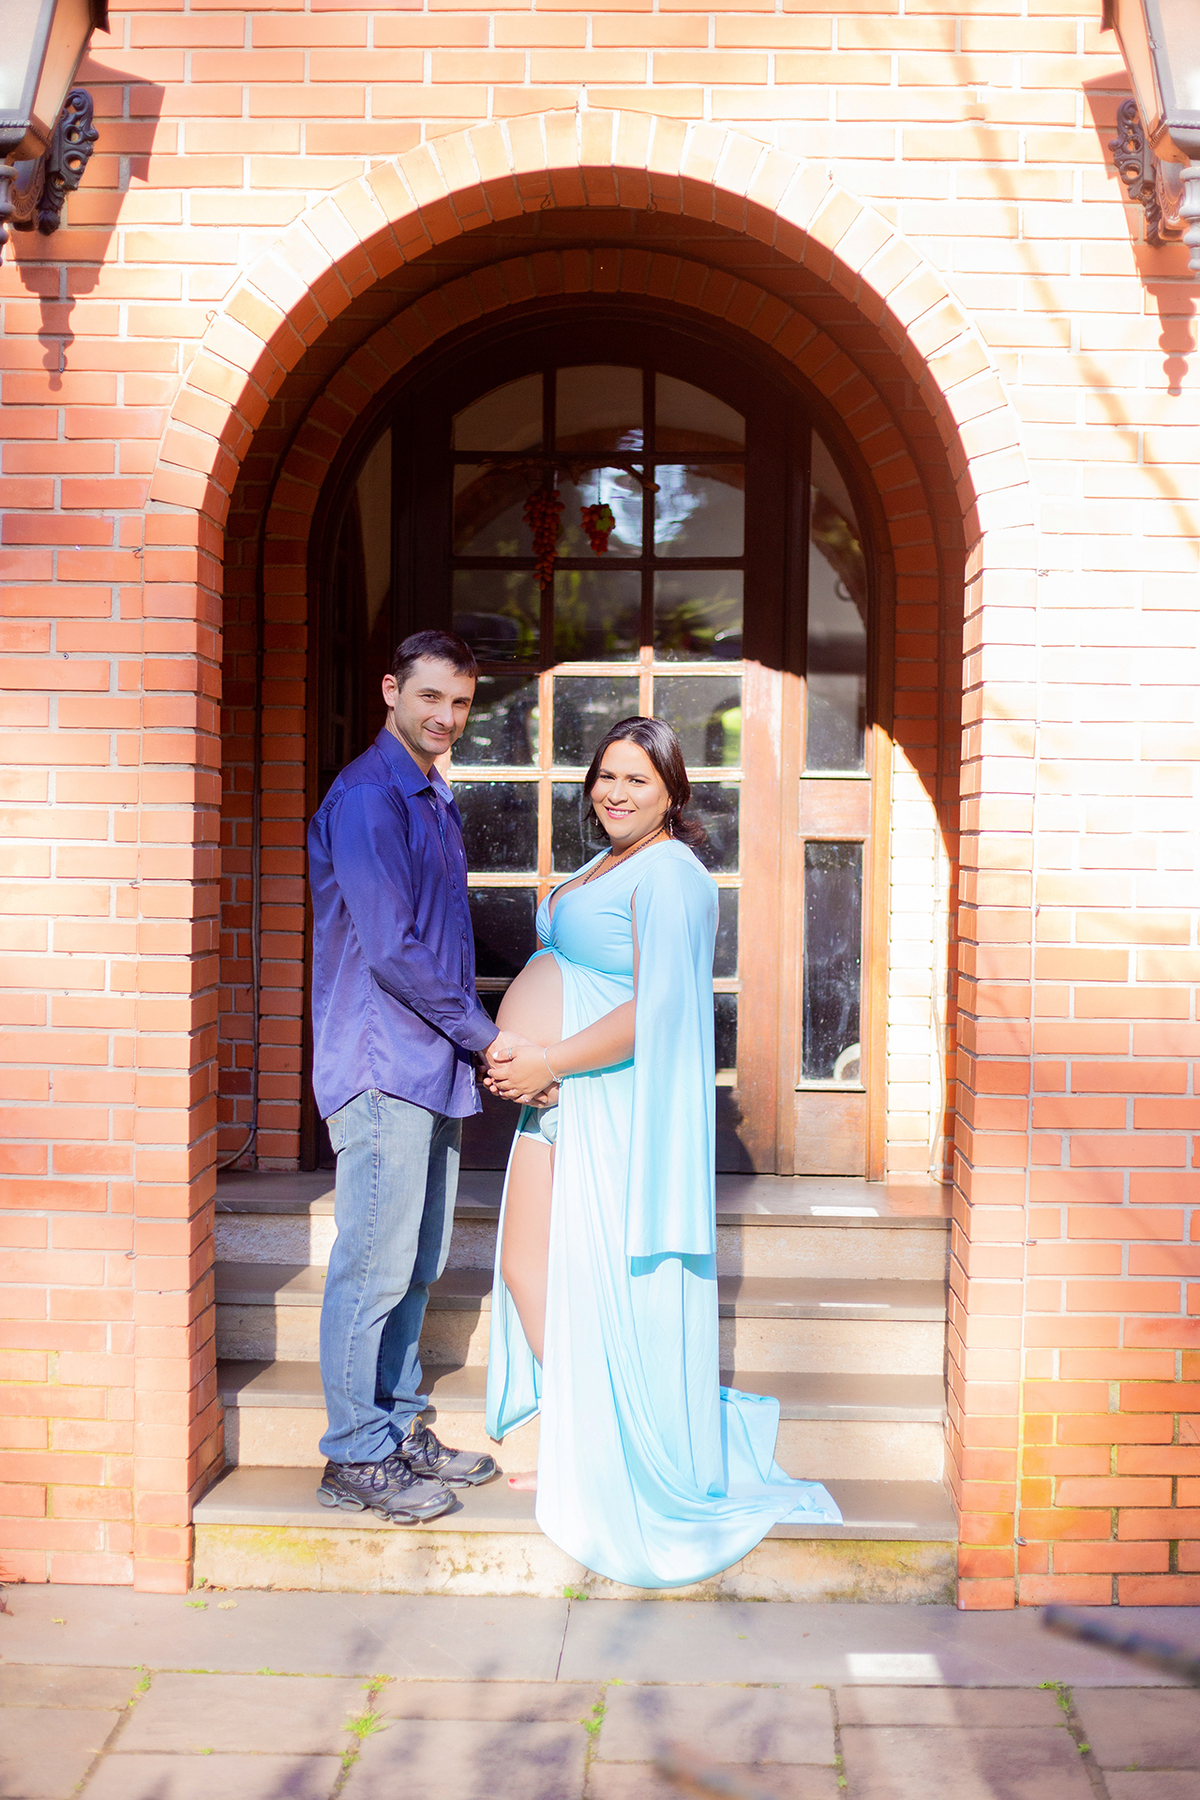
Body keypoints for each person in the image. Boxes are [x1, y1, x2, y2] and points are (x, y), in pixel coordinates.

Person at [483, 715, 842, 1589]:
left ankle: (609, 1465)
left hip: (607, 1101)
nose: (614, 792)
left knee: (583, 1275)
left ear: (673, 792)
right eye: (605, 775)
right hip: (563, 1096)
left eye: (637, 780)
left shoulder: (673, 873)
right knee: (529, 1268)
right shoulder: (607, 863)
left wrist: (549, 1058)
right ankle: (583, 1445)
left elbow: (660, 1011)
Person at [307, 629, 513, 1523]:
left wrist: (466, 1047)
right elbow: (392, 947)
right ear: (393, 689)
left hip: (429, 1067)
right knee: (373, 1265)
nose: (448, 717)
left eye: (462, 703)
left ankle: (393, 1425)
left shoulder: (431, 794)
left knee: (419, 1263)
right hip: (382, 1063)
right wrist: (485, 1036)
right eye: (432, 697)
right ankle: (353, 1455)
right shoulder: (367, 798)